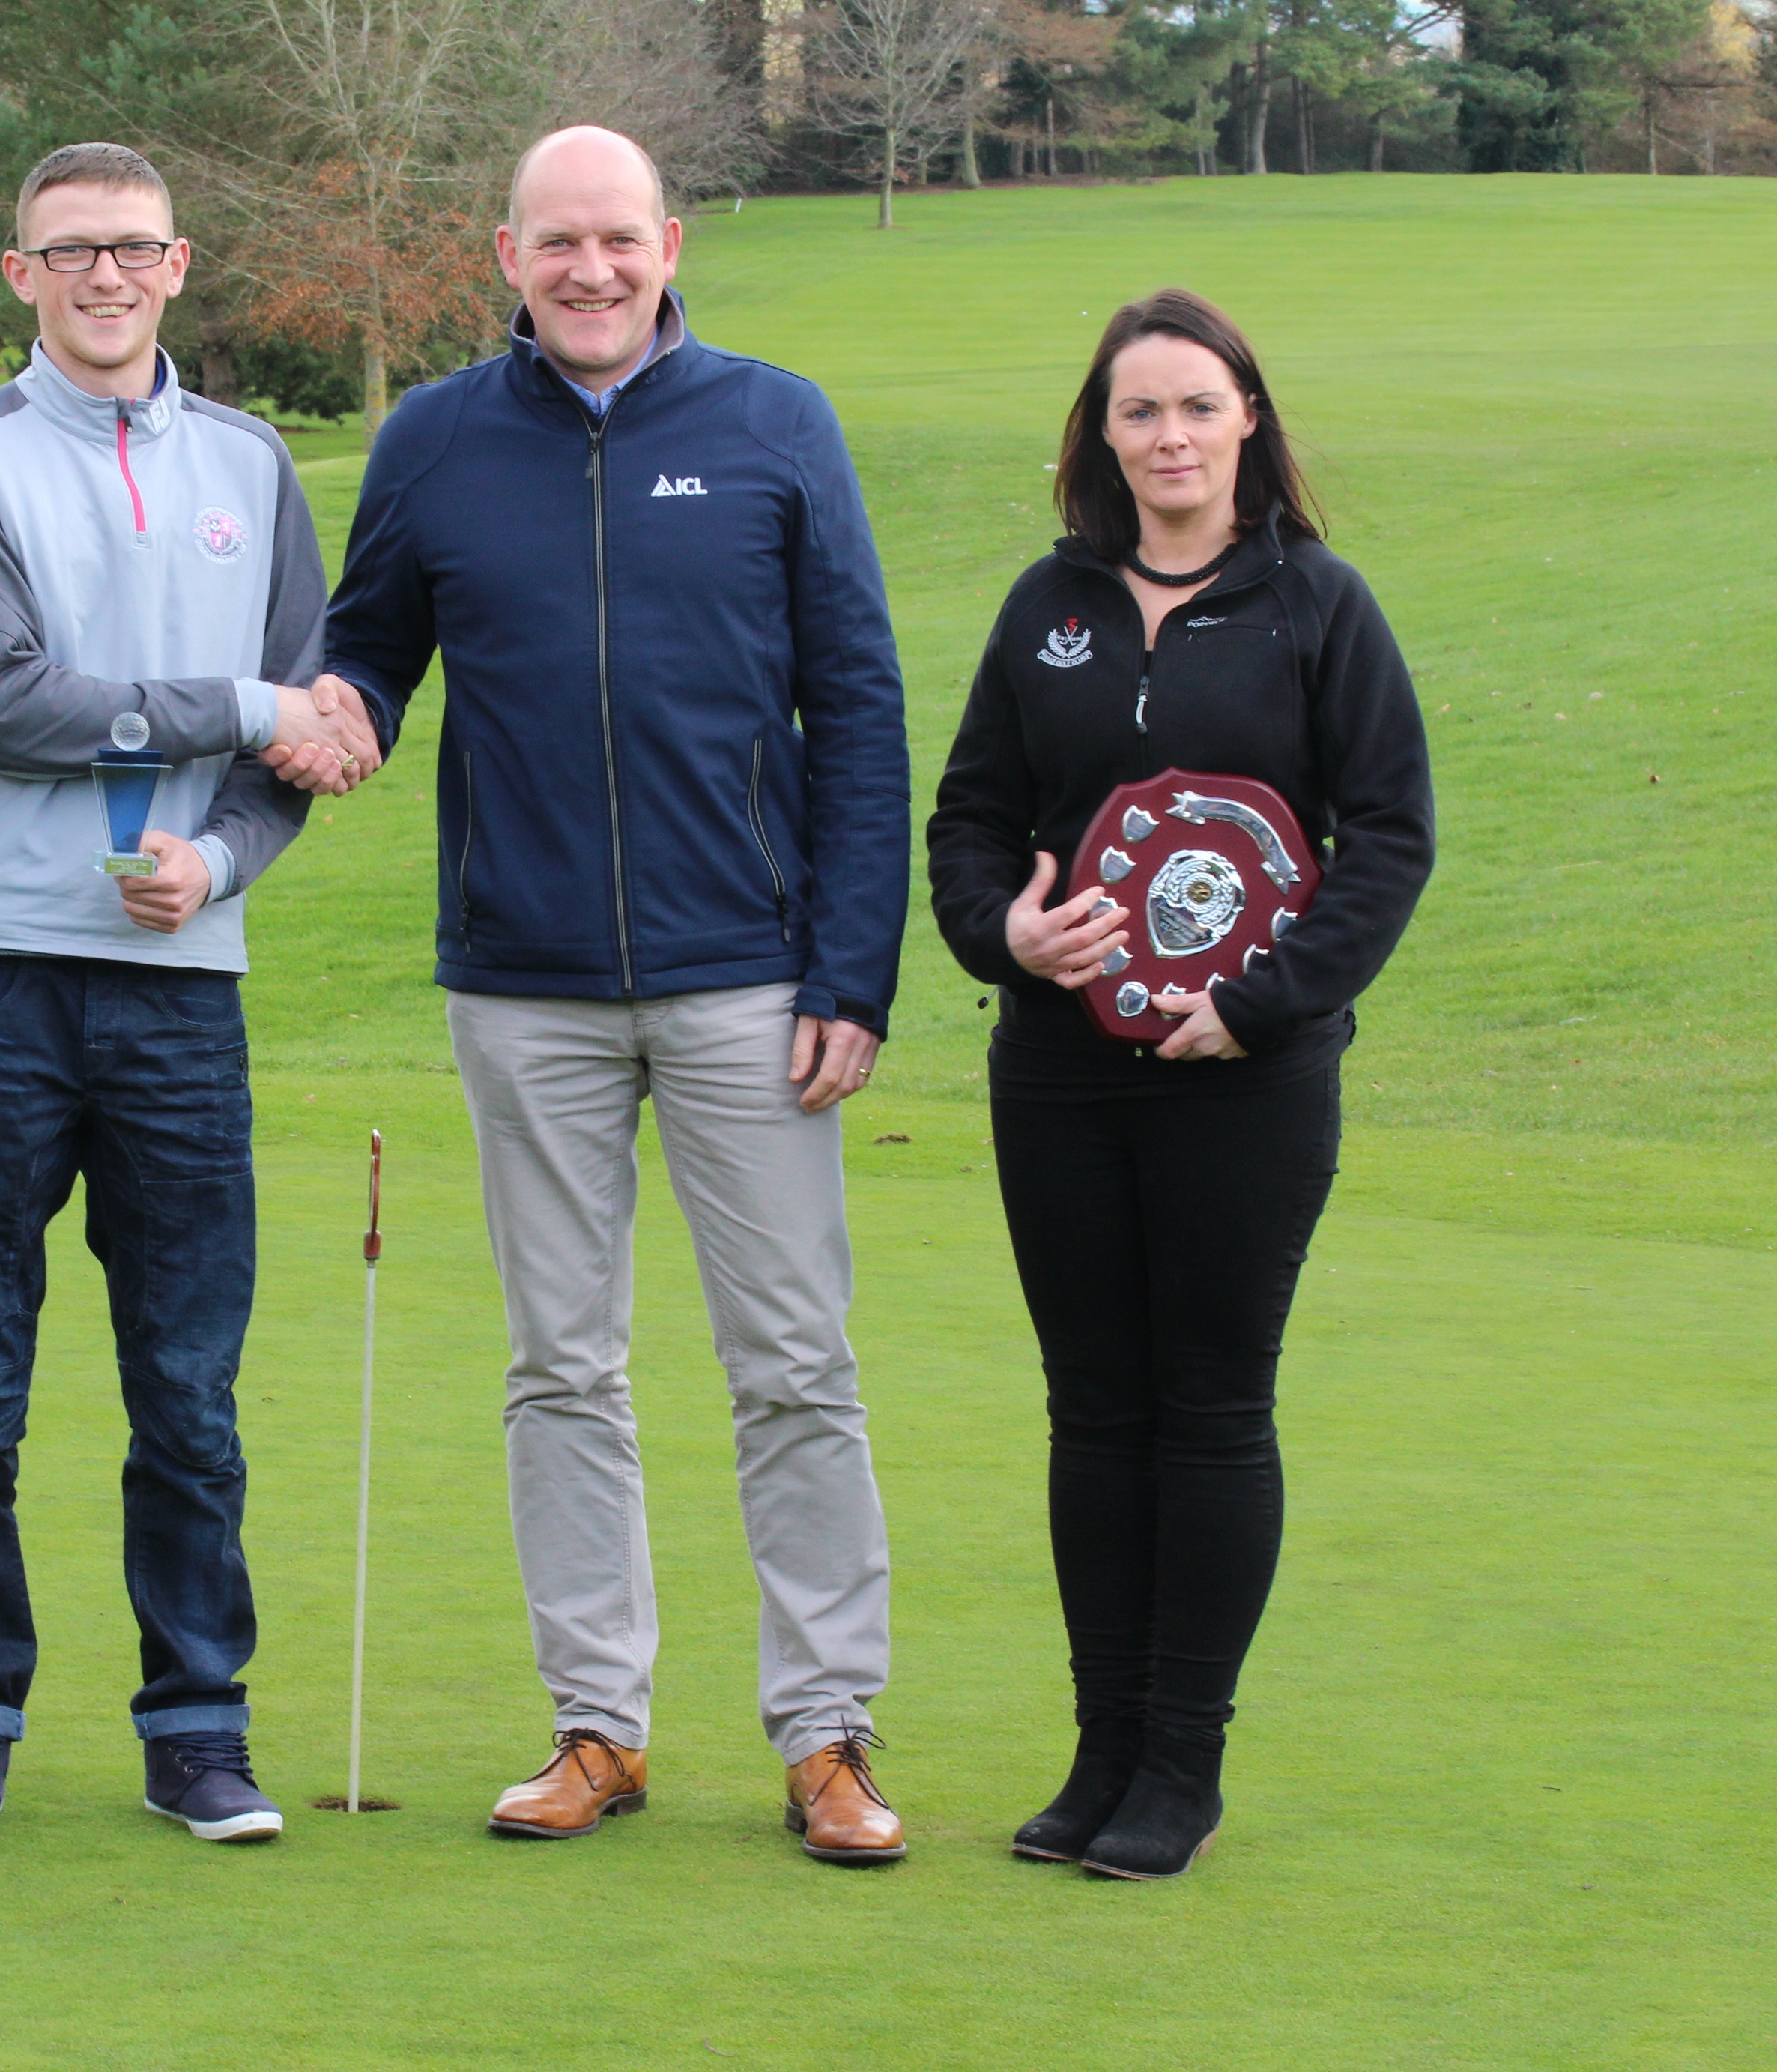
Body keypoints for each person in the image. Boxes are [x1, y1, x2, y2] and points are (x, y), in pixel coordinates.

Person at [314, 127, 914, 1865]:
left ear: (669, 240)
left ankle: (825, 1734)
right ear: (503, 254)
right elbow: (370, 649)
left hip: (752, 978)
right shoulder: (431, 442)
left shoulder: (771, 423)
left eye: (617, 239)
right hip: (524, 984)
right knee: (559, 1367)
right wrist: (339, 707)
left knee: (794, 1360)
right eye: (554, 243)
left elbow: (857, 707)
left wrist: (850, 967)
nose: (588, 270)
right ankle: (598, 1725)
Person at [0, 142, 374, 1848]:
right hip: (4, 976)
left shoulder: (252, 460)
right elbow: (11, 708)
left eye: (134, 250)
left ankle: (197, 1732)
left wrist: (226, 862)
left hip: (181, 988)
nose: (105, 277)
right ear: (17, 275)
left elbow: (302, 745)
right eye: (69, 252)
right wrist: (246, 708)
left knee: (186, 1383)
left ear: (181, 267)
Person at [927, 289, 1434, 1880]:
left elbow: (1390, 837)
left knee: (1209, 1411)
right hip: (1059, 1079)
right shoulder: (1046, 606)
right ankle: (1098, 1752)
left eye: (1196, 408)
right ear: (1101, 438)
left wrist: (1266, 1006)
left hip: (1245, 1085)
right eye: (1138, 412)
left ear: (1249, 426)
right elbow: (964, 822)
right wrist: (1004, 933)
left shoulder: (1318, 607)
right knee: (1095, 1412)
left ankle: (1180, 1766)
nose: (1168, 438)